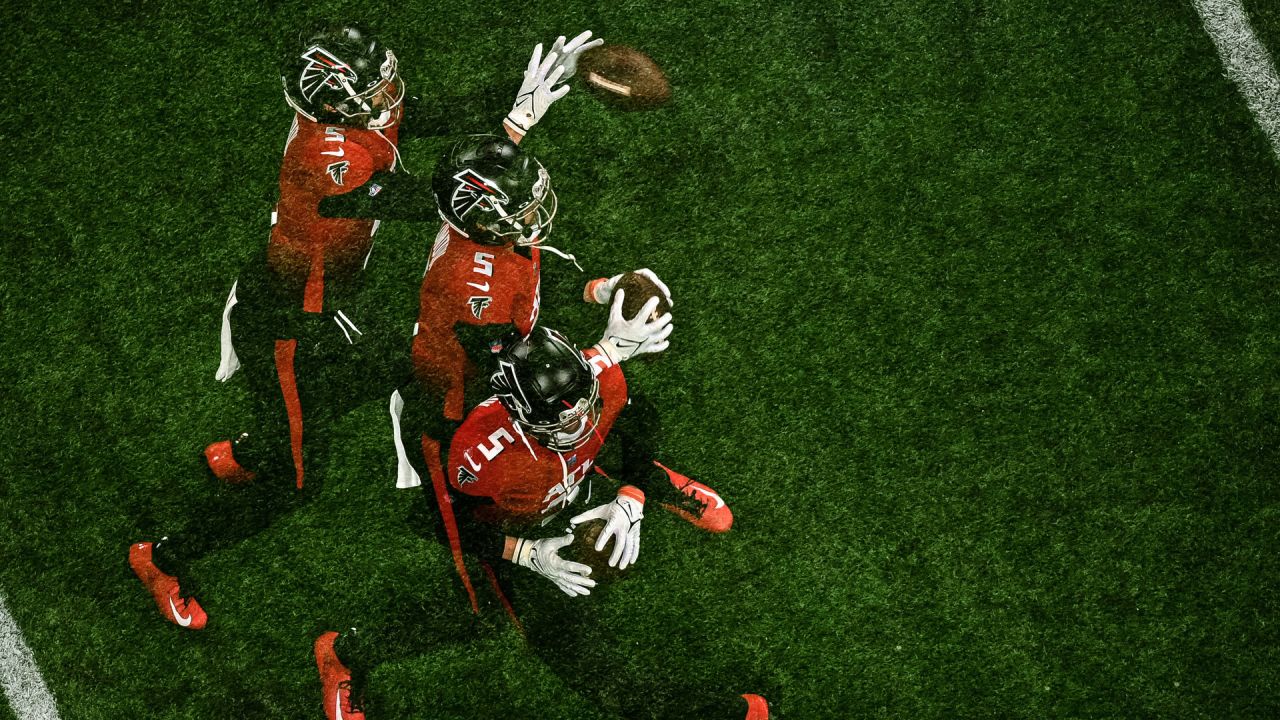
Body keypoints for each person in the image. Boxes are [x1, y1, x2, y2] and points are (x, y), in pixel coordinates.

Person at [128, 23, 599, 631]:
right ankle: (162, 556)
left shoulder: (352, 122)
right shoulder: (334, 156)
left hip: (319, 308)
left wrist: (520, 95)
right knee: (295, 484)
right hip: (289, 326)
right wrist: (512, 130)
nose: (388, 98)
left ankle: (250, 449)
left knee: (392, 361)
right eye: (372, 90)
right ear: (331, 98)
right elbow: (425, 199)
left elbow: (426, 119)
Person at [315, 318, 768, 720]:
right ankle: (344, 654)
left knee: (611, 447)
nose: (579, 425)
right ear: (519, 414)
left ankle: (657, 485)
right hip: (516, 526)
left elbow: (638, 418)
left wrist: (632, 495)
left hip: (566, 487)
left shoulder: (598, 382)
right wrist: (526, 553)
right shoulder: (480, 454)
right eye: (560, 423)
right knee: (519, 633)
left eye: (583, 409)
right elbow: (435, 521)